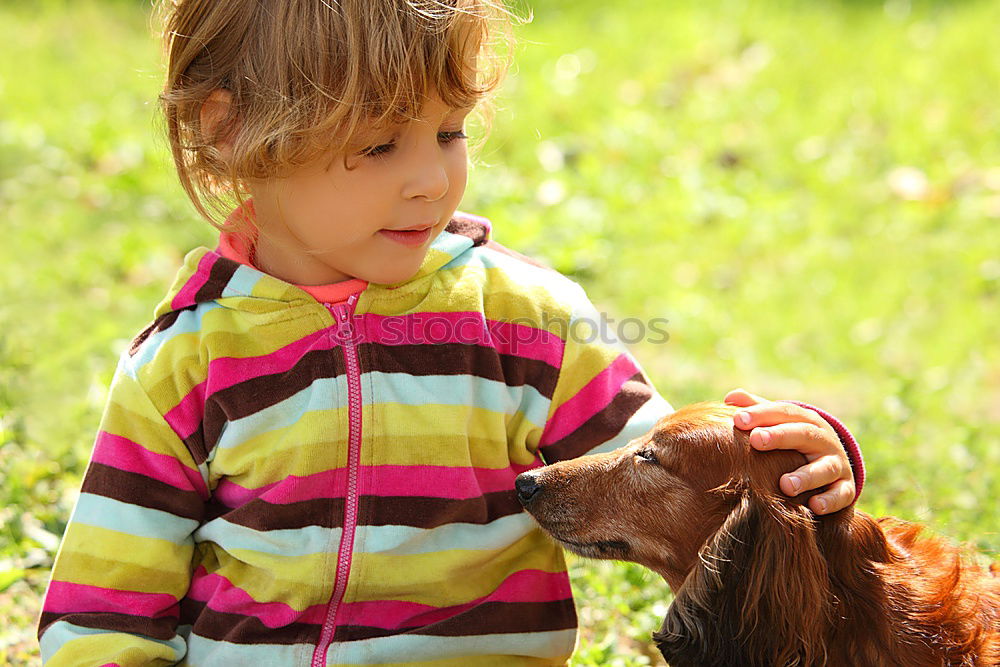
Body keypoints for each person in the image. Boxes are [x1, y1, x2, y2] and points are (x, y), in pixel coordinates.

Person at [37, 0, 863, 664]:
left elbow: (677, 473)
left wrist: (800, 457)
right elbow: (106, 609)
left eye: (448, 131)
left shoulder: (525, 320)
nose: (430, 179)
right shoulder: (185, 361)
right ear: (232, 131)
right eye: (379, 143)